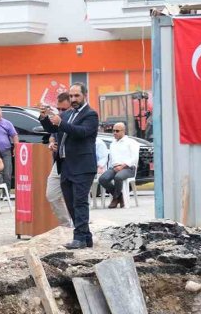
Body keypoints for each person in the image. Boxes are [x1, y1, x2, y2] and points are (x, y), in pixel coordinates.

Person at [40, 83, 99, 249]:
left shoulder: (91, 114)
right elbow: (55, 129)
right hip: (65, 164)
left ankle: (79, 238)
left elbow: (81, 132)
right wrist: (44, 118)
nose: (73, 99)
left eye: (76, 96)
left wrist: (61, 123)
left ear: (84, 95)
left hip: (82, 165)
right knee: (71, 202)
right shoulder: (68, 114)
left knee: (80, 203)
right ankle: (86, 237)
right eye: (71, 96)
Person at [42, 92, 73, 228]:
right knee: (52, 195)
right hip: (59, 161)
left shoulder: (78, 119)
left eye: (64, 110)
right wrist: (51, 143)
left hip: (74, 162)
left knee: (75, 198)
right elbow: (52, 134)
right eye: (59, 109)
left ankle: (79, 225)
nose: (61, 112)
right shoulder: (58, 118)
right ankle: (66, 224)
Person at [99, 122, 139, 208]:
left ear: (123, 131)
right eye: (113, 131)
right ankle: (119, 196)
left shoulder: (130, 142)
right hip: (115, 168)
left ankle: (115, 199)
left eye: (117, 131)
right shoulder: (113, 144)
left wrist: (123, 166)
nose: (114, 133)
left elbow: (134, 158)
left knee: (118, 177)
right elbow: (111, 159)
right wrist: (112, 167)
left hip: (128, 168)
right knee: (102, 179)